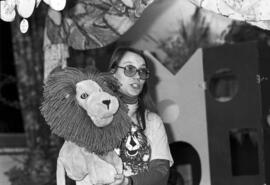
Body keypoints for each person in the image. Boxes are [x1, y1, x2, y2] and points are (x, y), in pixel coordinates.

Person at [108, 47, 173, 185]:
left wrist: (129, 182)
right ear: (113, 73)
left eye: (142, 71)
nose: (137, 76)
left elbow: (161, 171)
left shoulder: (153, 121)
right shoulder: (96, 117)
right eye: (130, 69)